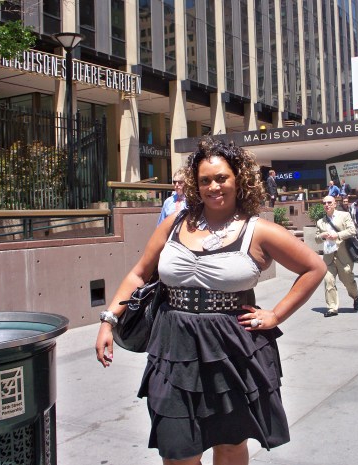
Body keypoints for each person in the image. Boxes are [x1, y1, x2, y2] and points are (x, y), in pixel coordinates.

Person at [95, 136, 327, 464]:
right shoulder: (174, 223)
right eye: (205, 180)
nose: (213, 187)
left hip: (231, 348)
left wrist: (276, 315)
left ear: (238, 179)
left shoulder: (258, 230)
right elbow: (138, 274)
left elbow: (314, 267)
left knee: (230, 445)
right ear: (196, 184)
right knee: (177, 450)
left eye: (221, 178)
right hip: (173, 347)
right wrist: (109, 321)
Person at [316, 195, 358, 318]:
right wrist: (322, 236)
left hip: (344, 255)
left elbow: (352, 230)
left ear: (335, 204)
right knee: (328, 281)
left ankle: (356, 295)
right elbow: (316, 239)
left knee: (347, 280)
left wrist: (338, 235)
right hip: (328, 257)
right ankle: (332, 308)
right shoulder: (320, 222)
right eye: (324, 203)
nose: (326, 205)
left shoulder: (344, 216)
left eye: (329, 202)